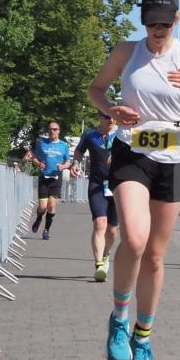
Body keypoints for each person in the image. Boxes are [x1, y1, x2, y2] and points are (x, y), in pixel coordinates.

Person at [88, 0, 180, 360]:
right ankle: (118, 318)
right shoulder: (126, 52)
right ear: (143, 21)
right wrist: (111, 109)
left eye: (165, 23)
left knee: (155, 256)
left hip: (176, 158)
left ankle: (143, 339)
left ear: (176, 20)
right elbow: (95, 89)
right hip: (133, 150)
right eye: (151, 24)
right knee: (133, 239)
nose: (158, 30)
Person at [71, 111, 119, 281]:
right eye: (107, 116)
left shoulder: (122, 135)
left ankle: (105, 254)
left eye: (113, 116)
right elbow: (79, 151)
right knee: (100, 223)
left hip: (117, 186)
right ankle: (99, 264)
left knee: (112, 231)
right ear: (99, 117)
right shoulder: (89, 135)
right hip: (97, 184)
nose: (111, 119)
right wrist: (75, 163)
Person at [31, 122, 72, 239]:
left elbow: (68, 161)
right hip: (44, 178)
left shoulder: (64, 145)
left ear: (59, 131)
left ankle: (46, 231)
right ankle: (39, 218)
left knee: (52, 205)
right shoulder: (41, 143)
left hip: (56, 179)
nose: (52, 131)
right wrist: (39, 164)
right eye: (50, 129)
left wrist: (63, 166)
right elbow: (34, 158)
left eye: (55, 129)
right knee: (43, 206)